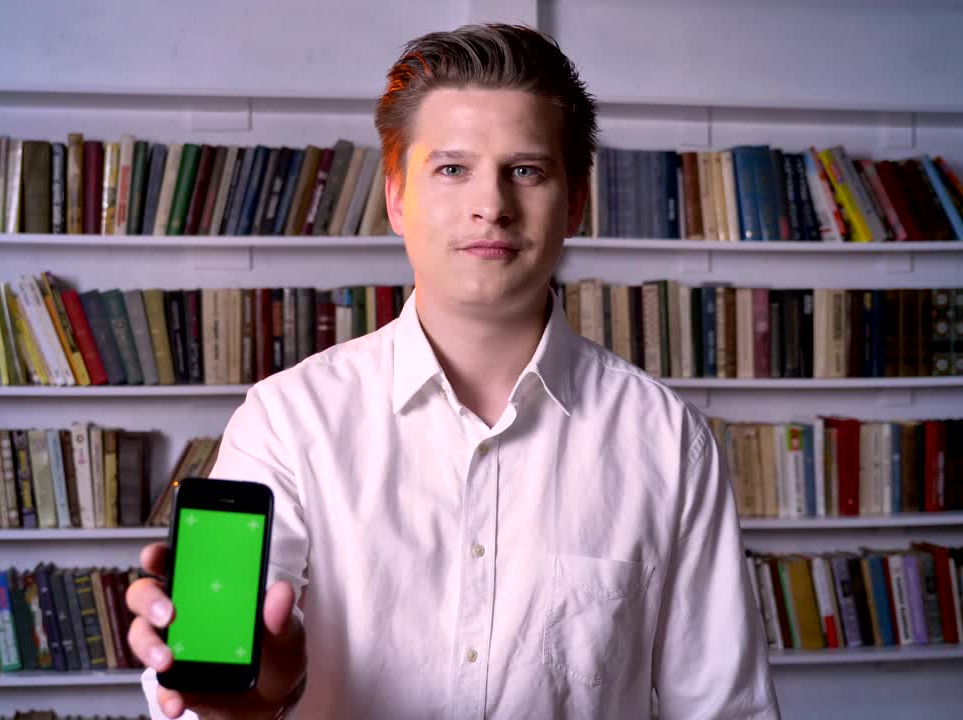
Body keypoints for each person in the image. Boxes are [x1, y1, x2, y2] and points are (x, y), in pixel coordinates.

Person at [127, 23, 779, 720]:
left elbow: (724, 710)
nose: (490, 205)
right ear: (397, 198)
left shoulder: (668, 441)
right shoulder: (286, 421)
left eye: (525, 170)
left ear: (577, 202)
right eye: (452, 168)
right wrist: (253, 700)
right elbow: (215, 685)